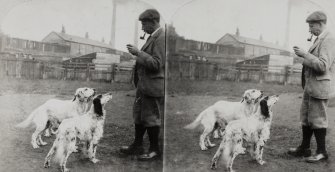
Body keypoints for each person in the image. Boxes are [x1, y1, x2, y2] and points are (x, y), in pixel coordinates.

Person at [288, 11, 335, 163]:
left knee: (318, 119)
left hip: (319, 87)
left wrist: (304, 55)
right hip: (311, 86)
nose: (310, 29)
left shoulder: (329, 39)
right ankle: (305, 148)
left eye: (312, 25)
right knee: (306, 118)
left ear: (321, 24)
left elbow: (323, 65)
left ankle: (322, 152)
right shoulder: (319, 39)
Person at [120, 9, 165, 161]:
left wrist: (138, 53)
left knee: (151, 118)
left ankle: (154, 150)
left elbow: (156, 64)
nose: (142, 28)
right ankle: (137, 145)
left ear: (153, 22)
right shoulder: (153, 37)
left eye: (144, 24)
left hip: (152, 87)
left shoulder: (161, 38)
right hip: (144, 86)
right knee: (139, 116)